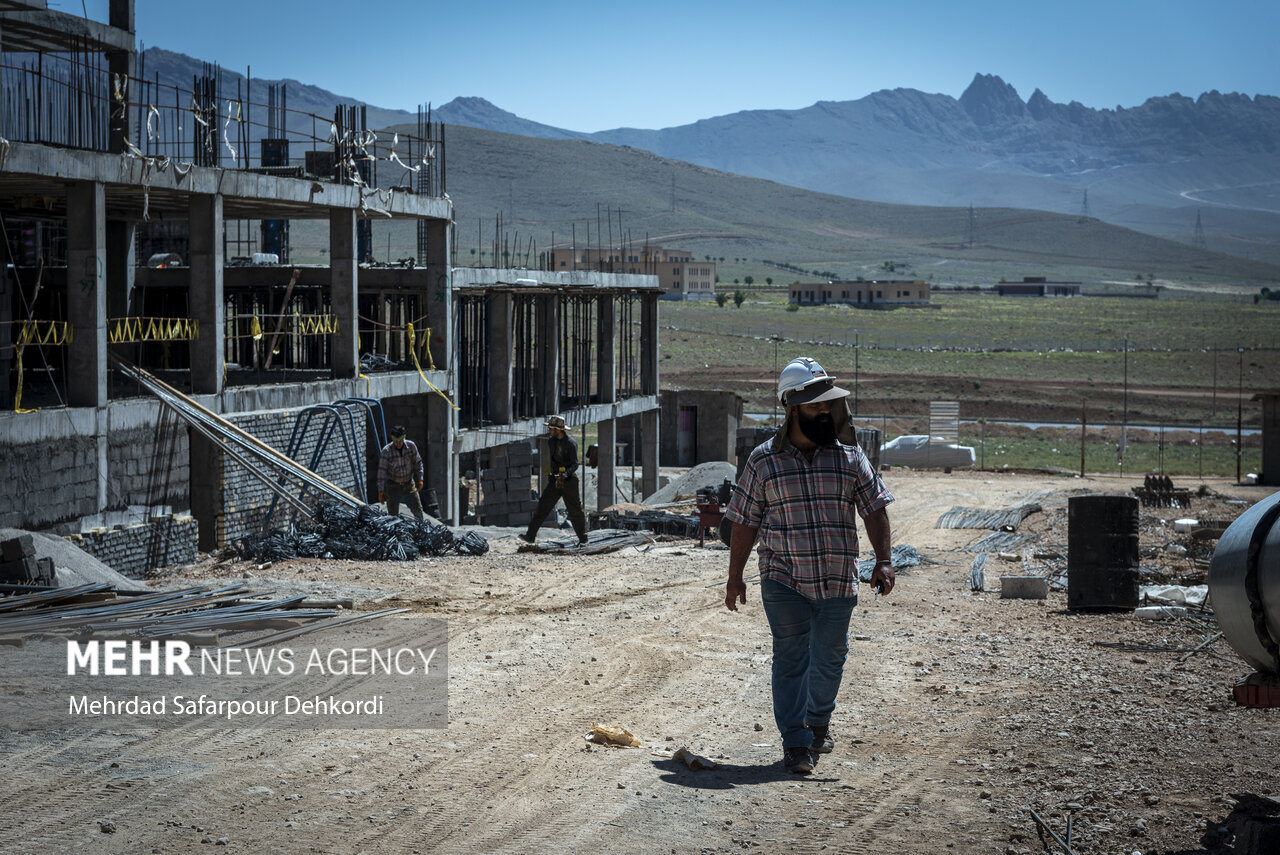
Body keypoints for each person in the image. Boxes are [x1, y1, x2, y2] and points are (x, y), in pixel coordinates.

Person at [723, 356, 895, 775]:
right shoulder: (764, 462)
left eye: (828, 404)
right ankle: (797, 742)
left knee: (831, 655)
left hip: (838, 577)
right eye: (817, 403)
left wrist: (885, 561)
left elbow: (875, 511)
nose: (826, 409)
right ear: (793, 406)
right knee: (791, 656)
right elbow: (744, 522)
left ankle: (818, 723)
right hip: (783, 578)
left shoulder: (850, 458)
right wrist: (735, 578)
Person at [520, 415, 589, 546]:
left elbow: (575, 464)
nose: (549, 431)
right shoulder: (551, 442)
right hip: (555, 481)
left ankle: (583, 540)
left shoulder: (571, 443)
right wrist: (556, 476)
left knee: (575, 511)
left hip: (569, 481)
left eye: (551, 428)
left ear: (559, 430)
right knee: (542, 507)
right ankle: (530, 536)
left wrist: (565, 474)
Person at [377, 424, 425, 521]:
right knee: (392, 515)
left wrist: (420, 479)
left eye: (400, 441)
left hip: (409, 484)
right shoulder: (386, 451)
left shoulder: (411, 446)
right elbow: (381, 472)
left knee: (418, 510)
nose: (398, 443)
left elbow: (418, 462)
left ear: (404, 438)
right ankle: (395, 532)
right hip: (393, 486)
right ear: (392, 439)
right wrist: (381, 490)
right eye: (396, 441)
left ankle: (422, 530)